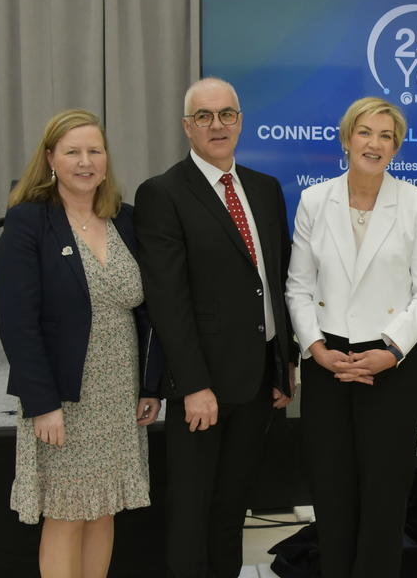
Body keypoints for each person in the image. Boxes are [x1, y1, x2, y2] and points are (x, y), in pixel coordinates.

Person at [134, 77, 296, 578]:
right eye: (204, 116)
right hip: (202, 387)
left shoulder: (265, 190)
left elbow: (275, 282)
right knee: (192, 513)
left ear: (240, 120)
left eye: (227, 114)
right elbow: (168, 300)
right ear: (187, 127)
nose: (217, 125)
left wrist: (282, 367)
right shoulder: (162, 193)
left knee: (232, 509)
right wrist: (193, 385)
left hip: (256, 383)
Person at [0, 109, 162, 577]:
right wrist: (42, 402)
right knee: (67, 514)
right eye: (72, 152)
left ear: (107, 159)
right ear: (51, 159)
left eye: (94, 151)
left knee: (103, 508)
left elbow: (148, 313)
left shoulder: (126, 221)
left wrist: (150, 386)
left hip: (118, 396)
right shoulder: (29, 222)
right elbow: (17, 323)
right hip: (63, 397)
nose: (85, 162)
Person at [285, 97, 417, 577]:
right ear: (347, 138)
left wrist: (389, 352)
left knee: (384, 492)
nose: (374, 143)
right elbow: (298, 286)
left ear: (396, 146)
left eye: (386, 136)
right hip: (327, 359)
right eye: (366, 133)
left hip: (390, 365)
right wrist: (316, 350)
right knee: (331, 489)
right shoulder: (315, 200)